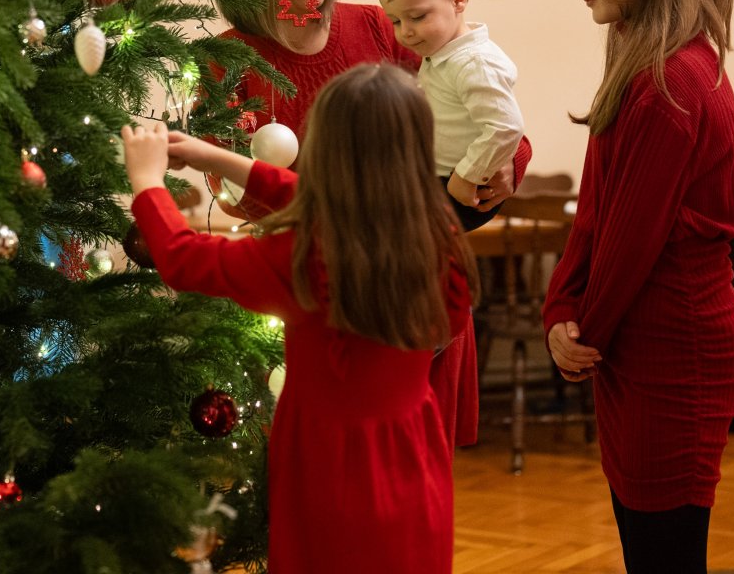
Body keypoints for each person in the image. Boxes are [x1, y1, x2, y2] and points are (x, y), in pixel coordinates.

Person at [209, 0, 534, 447]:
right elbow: (243, 200)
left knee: (414, 494)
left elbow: (486, 115)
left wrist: (508, 168)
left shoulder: (385, 27)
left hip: (410, 296)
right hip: (306, 312)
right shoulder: (227, 62)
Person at [122, 64, 473, 573]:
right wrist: (214, 156)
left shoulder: (302, 256)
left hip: (327, 463)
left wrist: (146, 182)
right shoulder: (437, 231)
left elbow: (181, 258)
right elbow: (310, 199)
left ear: (325, 152)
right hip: (412, 454)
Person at [541, 0, 734, 574]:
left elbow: (632, 241)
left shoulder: (672, 85)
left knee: (663, 556)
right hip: (644, 343)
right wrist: (562, 309)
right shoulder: (643, 68)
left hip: (676, 350)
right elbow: (597, 211)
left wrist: (585, 332)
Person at [376, 0, 523, 231]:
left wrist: (467, 176)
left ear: (458, 0)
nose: (405, 32)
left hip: (461, 189)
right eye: (395, 21)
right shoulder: (442, 55)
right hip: (437, 176)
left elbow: (506, 126)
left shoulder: (473, 62)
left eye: (416, 17)